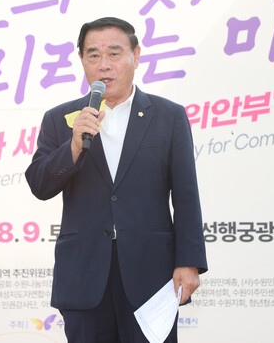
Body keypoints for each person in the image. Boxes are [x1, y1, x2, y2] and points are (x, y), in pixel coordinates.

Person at [25, 17, 207, 342]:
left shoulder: (169, 116)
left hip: (151, 277)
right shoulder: (60, 119)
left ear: (136, 56)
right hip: (84, 277)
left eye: (114, 53)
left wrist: (189, 262)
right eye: (93, 55)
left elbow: (186, 195)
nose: (104, 65)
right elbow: (39, 184)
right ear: (81, 59)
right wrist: (74, 146)